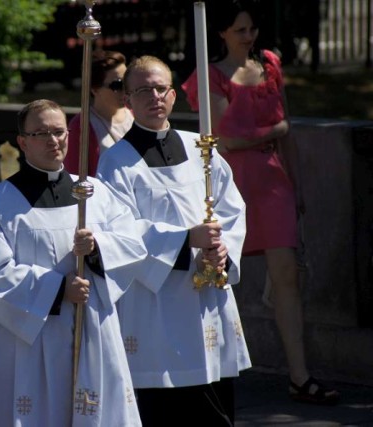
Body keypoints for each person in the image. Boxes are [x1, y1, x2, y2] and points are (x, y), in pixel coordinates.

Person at [181, 0, 339, 405]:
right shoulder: (208, 74)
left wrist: (297, 183)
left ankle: (299, 376)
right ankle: (215, 370)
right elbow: (226, 138)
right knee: (223, 277)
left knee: (287, 274)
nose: (249, 37)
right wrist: (276, 127)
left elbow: (285, 134)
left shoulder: (270, 63)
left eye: (251, 29)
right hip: (229, 180)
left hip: (273, 178)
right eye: (239, 30)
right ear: (222, 33)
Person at [0, 99, 146, 426]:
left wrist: (96, 247)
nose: (53, 140)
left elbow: (132, 244)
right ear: (22, 142)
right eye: (41, 133)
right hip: (32, 336)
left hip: (90, 327)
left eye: (59, 132)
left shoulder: (95, 194)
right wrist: (60, 289)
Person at [96, 55, 250, 426]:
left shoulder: (202, 149)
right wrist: (185, 240)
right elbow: (120, 231)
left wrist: (222, 251)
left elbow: (232, 210)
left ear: (174, 95)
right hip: (154, 307)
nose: (154, 97)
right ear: (127, 100)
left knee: (215, 406)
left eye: (161, 88)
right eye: (143, 90)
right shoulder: (116, 162)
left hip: (207, 300)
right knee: (166, 410)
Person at [64, 50, 134, 176]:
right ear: (95, 89)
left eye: (128, 82)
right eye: (117, 85)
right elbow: (74, 178)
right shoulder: (80, 126)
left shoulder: (136, 115)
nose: (126, 90)